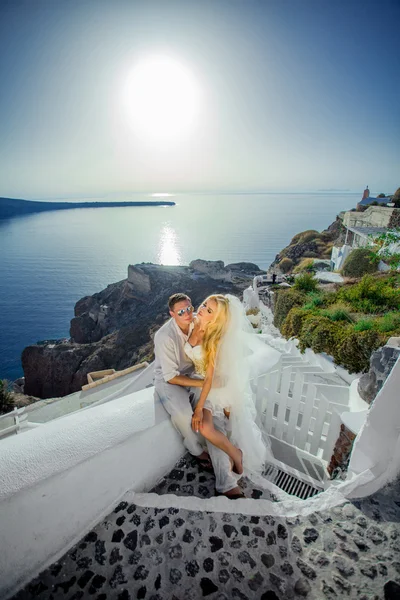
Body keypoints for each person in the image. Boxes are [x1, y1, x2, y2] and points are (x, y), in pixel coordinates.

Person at [185, 294, 281, 492]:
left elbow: (210, 379)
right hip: (199, 384)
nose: (202, 309)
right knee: (210, 430)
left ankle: (235, 455)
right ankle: (229, 473)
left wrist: (199, 408)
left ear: (216, 319)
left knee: (206, 428)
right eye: (204, 304)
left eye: (209, 310)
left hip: (212, 389)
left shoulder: (213, 340)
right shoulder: (193, 323)